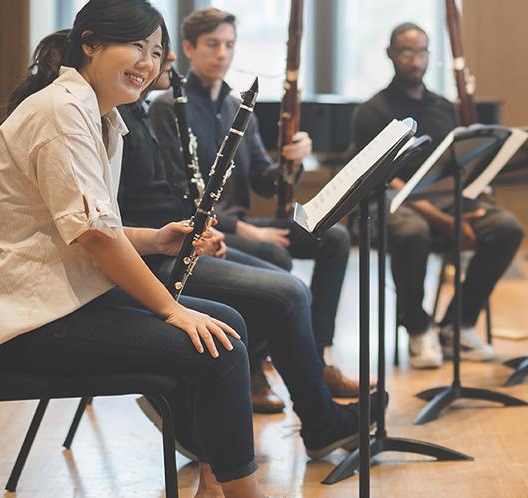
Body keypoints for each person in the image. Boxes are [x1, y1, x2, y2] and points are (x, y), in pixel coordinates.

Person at [0, 0, 336, 498]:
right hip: (31, 315)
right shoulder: (61, 112)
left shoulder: (98, 114)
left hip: (67, 292)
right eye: (135, 47)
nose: (148, 64)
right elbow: (95, 237)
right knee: (215, 341)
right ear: (90, 44)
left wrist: (156, 237)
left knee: (227, 324)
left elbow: (84, 225)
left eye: (155, 51)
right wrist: (171, 310)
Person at [117, 52, 380, 468]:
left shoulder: (148, 113)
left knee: (313, 257)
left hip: (185, 235)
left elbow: (258, 177)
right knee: (286, 288)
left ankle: (313, 370)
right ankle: (313, 415)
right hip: (154, 251)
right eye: (149, 51)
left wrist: (291, 162)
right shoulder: (152, 111)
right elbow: (128, 211)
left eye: (229, 43)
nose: (158, 62)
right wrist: (199, 230)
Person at [148, 6, 360, 397]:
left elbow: (266, 181)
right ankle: (254, 368)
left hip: (238, 224)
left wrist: (292, 160)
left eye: (229, 45)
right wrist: (240, 228)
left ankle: (317, 355)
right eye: (212, 44)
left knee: (336, 239)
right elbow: (178, 192)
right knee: (276, 259)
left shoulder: (234, 104)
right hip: (198, 232)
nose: (223, 54)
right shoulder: (167, 108)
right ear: (190, 49)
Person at [353, 22, 524, 369]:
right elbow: (382, 180)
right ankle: (418, 327)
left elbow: (454, 166)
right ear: (390, 54)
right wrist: (447, 222)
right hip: (389, 201)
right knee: (411, 231)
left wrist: (474, 193)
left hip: (442, 197)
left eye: (421, 52)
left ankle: (456, 325)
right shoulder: (371, 112)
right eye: (406, 52)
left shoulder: (445, 108)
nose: (415, 61)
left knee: (506, 227)